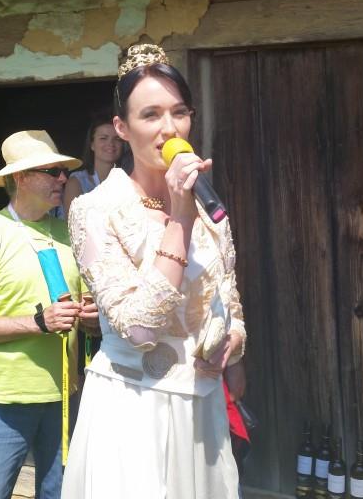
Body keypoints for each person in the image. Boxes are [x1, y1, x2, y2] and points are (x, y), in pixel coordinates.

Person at [63, 44, 247, 498]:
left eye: (179, 112)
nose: (169, 129)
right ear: (122, 129)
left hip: (200, 411)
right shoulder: (95, 210)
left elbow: (230, 305)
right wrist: (179, 219)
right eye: (151, 115)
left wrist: (231, 343)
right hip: (131, 410)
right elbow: (139, 329)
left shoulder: (208, 209)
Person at [0, 130, 93, 499]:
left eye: (63, 171)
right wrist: (38, 323)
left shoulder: (69, 235)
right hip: (1, 400)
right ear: (20, 177)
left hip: (63, 397)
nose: (62, 179)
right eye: (51, 171)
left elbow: (84, 311)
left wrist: (92, 317)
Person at [62, 113, 124, 217]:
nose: (111, 143)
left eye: (117, 139)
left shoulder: (129, 180)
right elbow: (71, 222)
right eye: (103, 138)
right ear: (92, 144)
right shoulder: (76, 182)